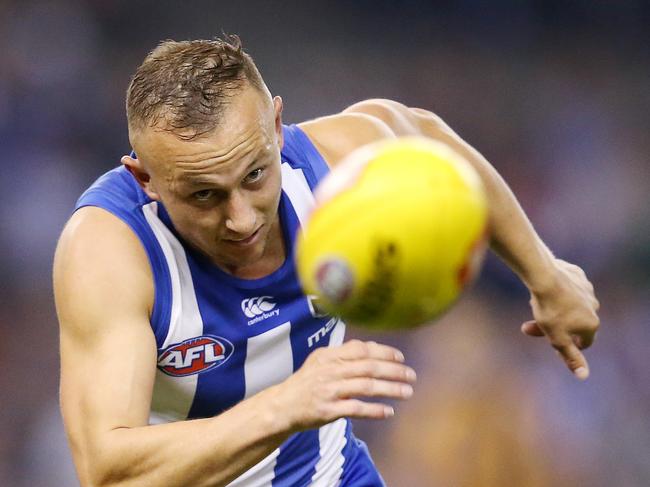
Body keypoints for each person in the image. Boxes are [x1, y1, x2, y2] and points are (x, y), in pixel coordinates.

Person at [53, 36, 600, 487]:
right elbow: (109, 472)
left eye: (255, 177)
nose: (241, 219)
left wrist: (546, 275)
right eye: (203, 196)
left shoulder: (331, 168)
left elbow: (427, 138)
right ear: (143, 179)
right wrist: (284, 406)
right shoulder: (110, 249)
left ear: (276, 127)